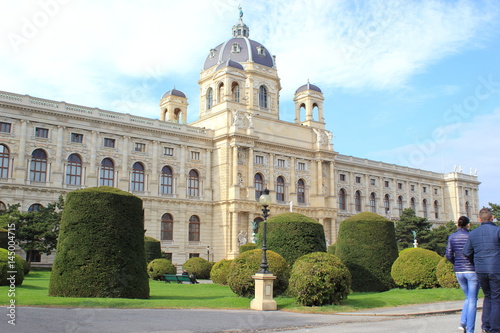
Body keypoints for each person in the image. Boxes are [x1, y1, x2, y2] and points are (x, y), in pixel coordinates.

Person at [463, 208, 500, 333]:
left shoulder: (473, 233)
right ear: (492, 217)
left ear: (479, 219)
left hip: (481, 269)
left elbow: (466, 252)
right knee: (496, 298)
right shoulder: (497, 231)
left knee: (488, 296)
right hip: (496, 268)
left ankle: (486, 326)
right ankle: (495, 328)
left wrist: (476, 261)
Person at [446, 216, 478, 333]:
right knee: (473, 300)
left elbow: (449, 255)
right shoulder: (472, 236)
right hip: (471, 270)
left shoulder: (452, 236)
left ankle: (462, 324)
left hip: (459, 271)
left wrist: (457, 264)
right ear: (468, 225)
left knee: (468, 298)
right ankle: (470, 330)